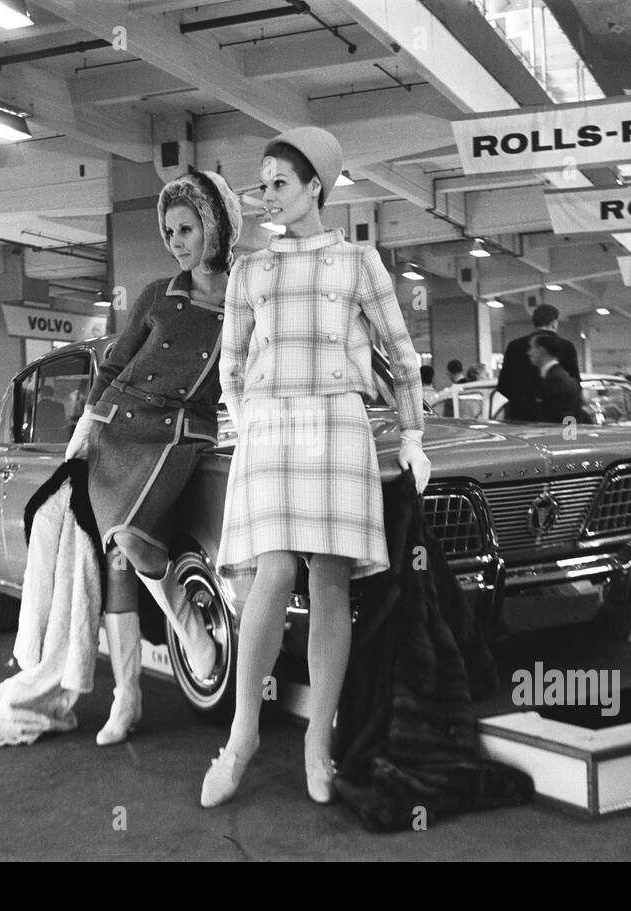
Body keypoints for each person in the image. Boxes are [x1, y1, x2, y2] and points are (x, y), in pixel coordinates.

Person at [202, 126, 430, 808]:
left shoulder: (359, 261)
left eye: (278, 182)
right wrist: (243, 418)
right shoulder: (249, 269)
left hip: (336, 420)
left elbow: (401, 350)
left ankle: (317, 742)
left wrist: (414, 434)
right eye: (263, 183)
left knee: (331, 578)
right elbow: (232, 363)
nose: (267, 195)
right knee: (272, 571)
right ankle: (241, 735)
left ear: (313, 188)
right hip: (271, 425)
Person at [60, 170, 240, 745]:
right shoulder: (156, 294)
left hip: (182, 434)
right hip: (118, 426)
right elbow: (114, 366)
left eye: (186, 229)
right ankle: (127, 696)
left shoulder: (247, 299)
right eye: (169, 232)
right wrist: (86, 425)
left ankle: (187, 625)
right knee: (118, 557)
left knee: (131, 537)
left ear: (214, 228)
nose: (176, 242)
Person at [496, 304, 580, 422]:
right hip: (556, 420)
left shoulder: (515, 346)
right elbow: (575, 384)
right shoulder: (567, 347)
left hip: (520, 416)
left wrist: (521, 400)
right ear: (554, 323)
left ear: (534, 323)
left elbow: (503, 385)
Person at [530, 333, 585, 424]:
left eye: (532, 348)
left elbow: (559, 421)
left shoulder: (555, 381)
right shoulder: (559, 376)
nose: (529, 352)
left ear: (541, 351)